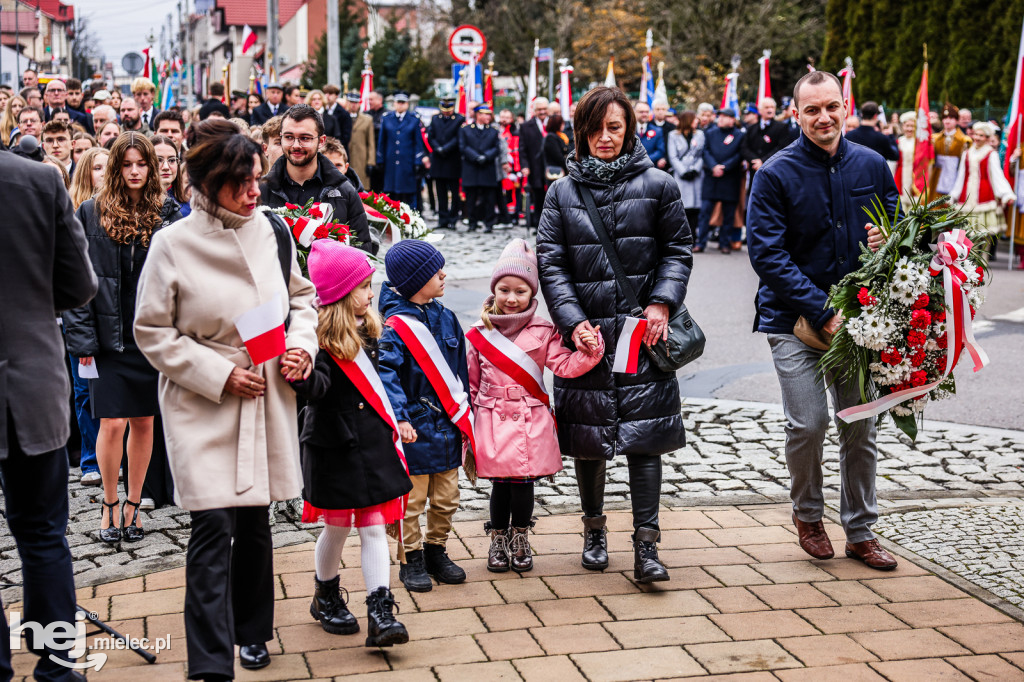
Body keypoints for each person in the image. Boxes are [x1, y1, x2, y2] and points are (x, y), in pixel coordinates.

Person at [134, 118, 318, 678]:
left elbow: (303, 298)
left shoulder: (273, 230)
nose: (255, 191)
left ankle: (254, 632)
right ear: (210, 183)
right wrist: (217, 374)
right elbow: (151, 331)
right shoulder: (172, 244)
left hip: (266, 392)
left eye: (258, 178)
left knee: (256, 520)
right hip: (202, 403)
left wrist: (302, 347)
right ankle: (210, 660)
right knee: (213, 525)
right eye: (242, 183)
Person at [536, 86, 692, 583]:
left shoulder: (659, 184)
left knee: (645, 440)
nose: (605, 137)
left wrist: (662, 302)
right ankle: (594, 531)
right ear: (581, 131)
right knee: (589, 440)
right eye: (595, 128)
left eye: (615, 127)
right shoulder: (561, 193)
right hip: (587, 337)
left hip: (642, 333)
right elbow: (551, 263)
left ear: (629, 130)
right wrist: (572, 321)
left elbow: (677, 250)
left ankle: (647, 546)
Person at [746, 70, 900, 571]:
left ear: (845, 106)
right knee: (809, 423)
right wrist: (823, 310)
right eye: (811, 110)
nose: (823, 117)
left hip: (859, 320)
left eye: (831, 106)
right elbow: (768, 255)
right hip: (792, 320)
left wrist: (888, 241)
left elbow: (899, 231)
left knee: (860, 425)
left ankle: (861, 531)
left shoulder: (872, 164)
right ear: (796, 115)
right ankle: (808, 515)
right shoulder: (774, 174)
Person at [0, 130, 98, 682]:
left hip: (31, 381)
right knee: (42, 533)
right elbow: (79, 284)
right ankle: (57, 666)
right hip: (32, 377)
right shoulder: (38, 179)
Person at [290, 240, 413, 644]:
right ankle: (325, 595)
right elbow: (317, 389)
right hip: (334, 447)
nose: (371, 294)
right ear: (342, 294)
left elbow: (377, 387)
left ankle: (381, 612)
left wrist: (399, 420)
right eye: (363, 287)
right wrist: (302, 377)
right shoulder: (317, 340)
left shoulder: (367, 329)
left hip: (370, 444)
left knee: (374, 527)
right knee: (337, 528)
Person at [62, 132, 182, 547]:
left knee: (144, 422)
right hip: (105, 338)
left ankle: (134, 503)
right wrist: (82, 342)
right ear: (116, 167)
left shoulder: (167, 211)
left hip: (149, 337)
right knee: (111, 423)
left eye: (141, 164)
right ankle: (109, 502)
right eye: (127, 164)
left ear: (151, 167)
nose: (134, 171)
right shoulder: (90, 211)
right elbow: (76, 279)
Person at [469, 239, 604, 573]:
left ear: (532, 294)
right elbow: (470, 382)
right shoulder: (479, 334)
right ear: (494, 289)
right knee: (500, 483)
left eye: (520, 291)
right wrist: (467, 426)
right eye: (504, 290)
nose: (511, 298)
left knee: (524, 483)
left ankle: (520, 536)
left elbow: (564, 365)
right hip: (492, 417)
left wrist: (590, 352)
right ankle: (498, 538)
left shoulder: (544, 331)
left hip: (529, 417)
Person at [378, 240, 470, 593]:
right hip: (414, 427)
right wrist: (400, 418)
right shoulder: (394, 326)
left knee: (447, 498)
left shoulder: (446, 318)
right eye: (435, 271)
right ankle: (411, 558)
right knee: (412, 501)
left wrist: (466, 413)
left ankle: (436, 550)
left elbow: (460, 371)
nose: (443, 274)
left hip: (446, 425)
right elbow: (386, 375)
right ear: (416, 281)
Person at [260, 105, 375, 254]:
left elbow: (362, 252)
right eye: (289, 137)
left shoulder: (344, 191)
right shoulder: (262, 190)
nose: (296, 145)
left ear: (321, 141)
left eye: (305, 138)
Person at [949, 121, 1016, 260]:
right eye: (976, 134)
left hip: (984, 196)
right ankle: (970, 260)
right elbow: (961, 176)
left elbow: (997, 175)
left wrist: (1006, 194)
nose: (977, 138)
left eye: (981, 135)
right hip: (967, 196)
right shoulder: (967, 153)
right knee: (968, 232)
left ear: (987, 138)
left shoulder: (991, 154)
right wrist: (953, 195)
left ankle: (984, 258)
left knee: (985, 232)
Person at [696, 107, 744, 253]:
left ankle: (724, 243)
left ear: (732, 119)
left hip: (730, 178)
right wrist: (714, 166)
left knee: (729, 213)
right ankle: (700, 243)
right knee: (705, 212)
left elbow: (739, 154)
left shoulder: (739, 135)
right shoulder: (710, 133)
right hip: (712, 177)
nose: (720, 119)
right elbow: (705, 151)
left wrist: (725, 167)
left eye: (724, 117)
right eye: (720, 116)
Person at [376, 92, 428, 208]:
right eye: (398, 102)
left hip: (407, 163)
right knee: (391, 194)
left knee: (408, 195)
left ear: (407, 104)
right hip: (391, 162)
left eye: (403, 103)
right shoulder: (387, 119)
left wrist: (417, 161)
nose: (400, 105)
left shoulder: (414, 120)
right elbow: (382, 141)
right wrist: (380, 159)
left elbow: (418, 143)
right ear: (394, 104)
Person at [460, 104, 502, 233]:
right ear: (478, 115)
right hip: (471, 167)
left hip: (487, 167)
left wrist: (486, 156)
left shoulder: (493, 131)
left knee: (489, 198)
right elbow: (463, 146)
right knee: (471, 198)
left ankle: (489, 223)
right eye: (485, 114)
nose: (488, 117)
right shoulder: (466, 130)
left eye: (489, 114)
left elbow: (496, 148)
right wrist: (475, 157)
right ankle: (472, 223)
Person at [427, 96, 464, 230]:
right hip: (438, 160)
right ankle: (442, 219)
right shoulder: (435, 119)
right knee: (440, 192)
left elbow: (458, 138)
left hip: (453, 160)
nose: (446, 112)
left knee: (454, 193)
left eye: (449, 109)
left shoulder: (459, 119)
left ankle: (453, 219)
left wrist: (446, 148)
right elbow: (431, 136)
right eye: (444, 109)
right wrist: (437, 148)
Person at [668, 110, 705, 235]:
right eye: (694, 119)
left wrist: (695, 169)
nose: (697, 121)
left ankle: (693, 235)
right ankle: (682, 236)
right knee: (682, 206)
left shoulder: (700, 134)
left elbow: (701, 154)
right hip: (681, 175)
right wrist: (683, 172)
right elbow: (673, 156)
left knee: (694, 207)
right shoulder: (673, 135)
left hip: (695, 175)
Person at [518, 97, 550, 227]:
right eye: (539, 109)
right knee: (538, 196)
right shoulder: (525, 126)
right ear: (534, 110)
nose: (542, 112)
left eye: (544, 109)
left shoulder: (554, 122)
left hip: (552, 167)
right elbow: (522, 149)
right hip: (535, 167)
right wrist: (525, 166)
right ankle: (538, 223)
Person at [930, 103, 972, 200]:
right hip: (937, 176)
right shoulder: (934, 139)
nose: (947, 121)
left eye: (951, 118)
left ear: (957, 120)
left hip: (956, 175)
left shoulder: (965, 140)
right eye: (945, 118)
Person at [895, 111, 931, 210]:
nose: (910, 129)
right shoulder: (898, 142)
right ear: (903, 126)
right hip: (900, 176)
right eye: (907, 126)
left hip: (916, 177)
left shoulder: (920, 143)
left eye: (912, 126)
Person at [343, 92, 376, 189]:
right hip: (345, 158)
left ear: (359, 104)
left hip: (361, 160)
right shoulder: (341, 117)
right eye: (351, 102)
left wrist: (371, 162)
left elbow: (371, 143)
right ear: (347, 102)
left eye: (356, 102)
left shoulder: (367, 119)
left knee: (361, 188)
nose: (353, 105)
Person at [153, 134, 191, 217]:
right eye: (158, 160)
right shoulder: (135, 204)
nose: (166, 167)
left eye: (172, 160)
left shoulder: (189, 209)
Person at [635, 101, 667, 169]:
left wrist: (644, 160)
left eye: (646, 112)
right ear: (634, 112)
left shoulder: (657, 130)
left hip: (650, 167)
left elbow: (660, 151)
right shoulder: (628, 130)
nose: (644, 114)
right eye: (641, 112)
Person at [321, 84, 352, 151]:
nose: (327, 96)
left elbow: (346, 137)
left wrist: (333, 147)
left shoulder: (344, 113)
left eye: (330, 93)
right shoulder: (322, 111)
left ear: (336, 95)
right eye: (325, 93)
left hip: (338, 150)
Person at [543, 113, 570, 181]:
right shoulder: (551, 137)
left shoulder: (561, 136)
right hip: (555, 172)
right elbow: (558, 156)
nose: (563, 125)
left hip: (561, 170)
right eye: (561, 123)